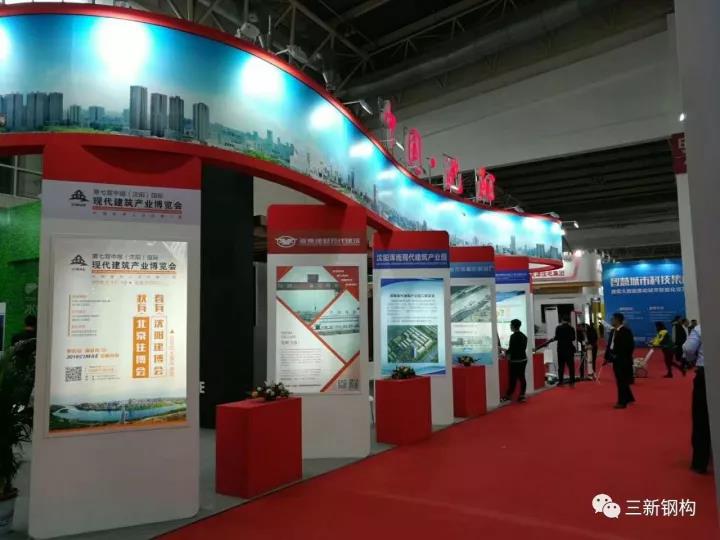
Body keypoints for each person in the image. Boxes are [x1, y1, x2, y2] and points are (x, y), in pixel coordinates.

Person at [683, 325, 709, 474]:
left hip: (706, 374)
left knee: (702, 418)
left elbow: (688, 349)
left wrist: (691, 360)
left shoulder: (701, 327)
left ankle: (700, 462)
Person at [606, 313, 635, 409]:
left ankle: (622, 402)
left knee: (621, 381)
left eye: (612, 319)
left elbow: (630, 346)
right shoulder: (613, 331)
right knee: (621, 380)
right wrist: (608, 357)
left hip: (623, 360)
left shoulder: (626, 331)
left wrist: (619, 355)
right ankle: (629, 398)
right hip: (615, 359)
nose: (611, 320)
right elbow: (610, 345)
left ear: (617, 320)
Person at [500, 319, 528, 403]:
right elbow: (520, 349)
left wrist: (502, 350)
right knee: (522, 377)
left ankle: (508, 395)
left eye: (510, 325)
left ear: (513, 326)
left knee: (513, 378)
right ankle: (522, 395)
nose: (510, 326)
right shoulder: (524, 336)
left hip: (515, 361)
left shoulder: (513, 336)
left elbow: (511, 350)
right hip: (523, 359)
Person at [554, 316, 577, 386]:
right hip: (569, 349)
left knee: (561, 366)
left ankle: (561, 381)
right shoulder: (571, 328)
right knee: (571, 366)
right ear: (568, 321)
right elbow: (573, 338)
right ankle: (572, 381)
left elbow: (556, 337)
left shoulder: (558, 328)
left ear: (562, 320)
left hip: (560, 349)